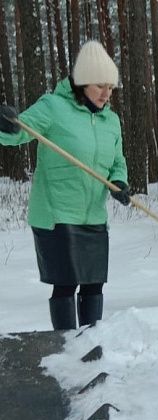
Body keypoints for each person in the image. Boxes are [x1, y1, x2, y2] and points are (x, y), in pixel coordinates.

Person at [0, 40, 131, 330]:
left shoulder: (111, 121)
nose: (106, 94)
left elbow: (117, 162)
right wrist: (6, 124)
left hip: (93, 215)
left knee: (94, 284)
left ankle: (91, 345)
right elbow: (18, 133)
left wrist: (119, 181)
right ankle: (65, 348)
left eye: (111, 87)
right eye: (100, 86)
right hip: (57, 213)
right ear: (83, 82)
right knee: (66, 283)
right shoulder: (53, 107)